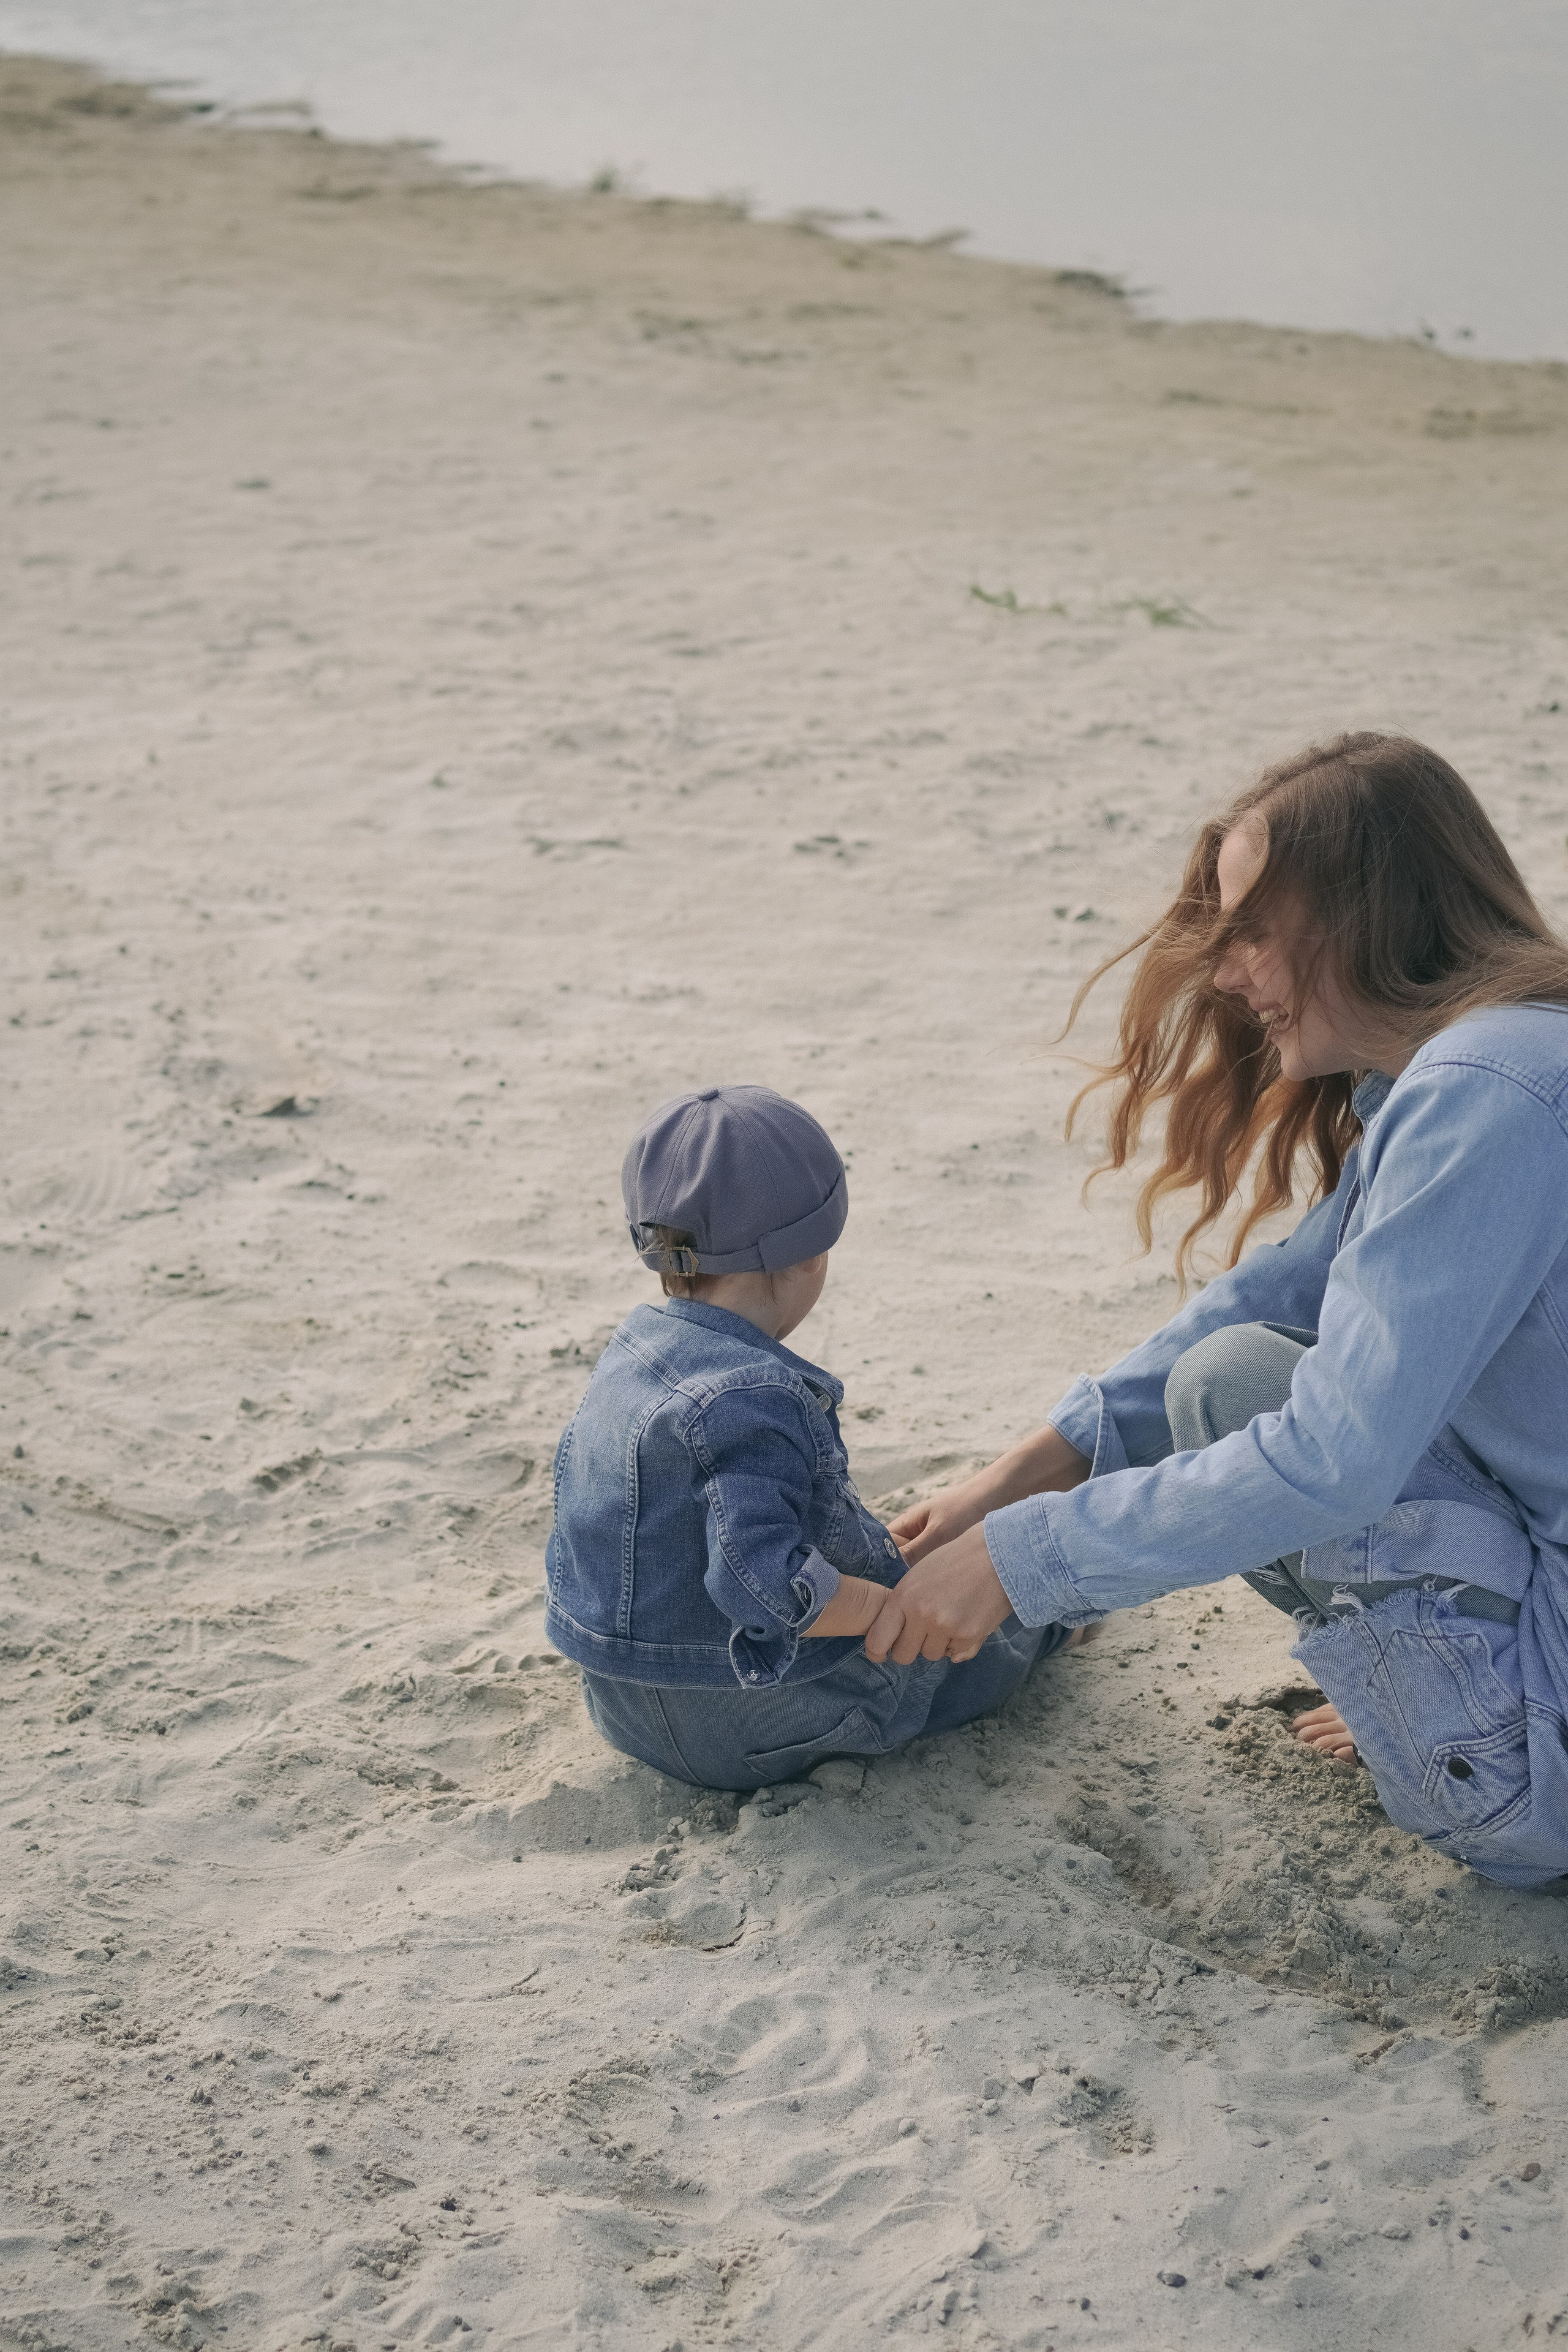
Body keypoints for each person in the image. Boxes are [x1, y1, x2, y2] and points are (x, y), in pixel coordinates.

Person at [869, 733, 1568, 1889]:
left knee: (1248, 1392)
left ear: (1364, 909)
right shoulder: (1495, 1065)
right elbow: (1284, 1288)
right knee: (1232, 1367)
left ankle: (1492, 1746)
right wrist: (1021, 1473)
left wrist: (1020, 1562)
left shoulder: (1482, 1095)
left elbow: (1333, 1462)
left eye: (1248, 929)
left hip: (1543, 1776)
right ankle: (1459, 1690)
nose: (1223, 973)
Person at [545, 1083, 1065, 1790]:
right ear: (807, 1257)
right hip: (767, 1721)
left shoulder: (625, 1360)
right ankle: (1062, 1623)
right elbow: (759, 1586)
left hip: (623, 1706)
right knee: (968, 1644)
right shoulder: (754, 1399)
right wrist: (882, 1605)